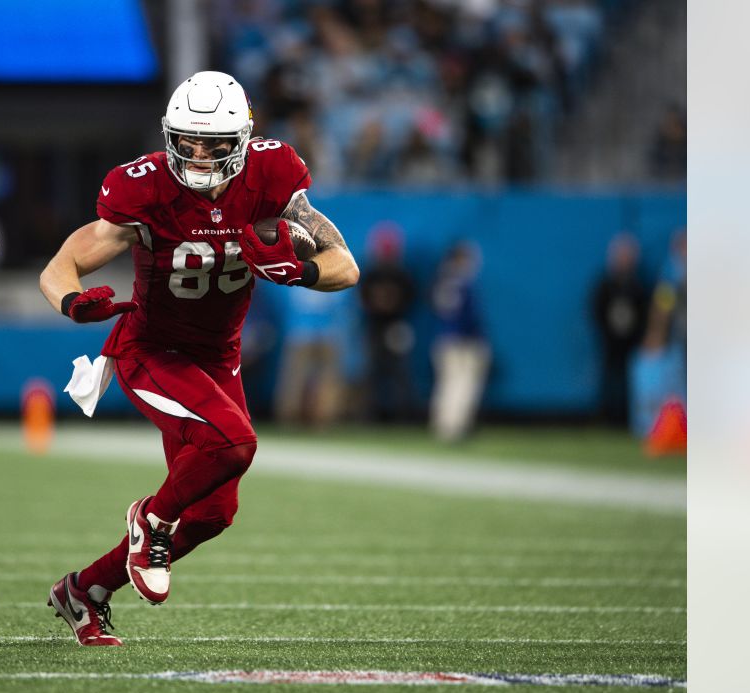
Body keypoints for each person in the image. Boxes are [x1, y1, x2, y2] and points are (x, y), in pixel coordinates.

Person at [38, 71, 359, 646]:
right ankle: (150, 520)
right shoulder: (143, 187)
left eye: (212, 143)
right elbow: (63, 262)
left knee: (213, 515)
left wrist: (302, 272)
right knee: (234, 444)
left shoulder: (275, 175)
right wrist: (69, 301)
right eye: (186, 140)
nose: (197, 153)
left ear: (243, 140)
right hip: (151, 350)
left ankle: (84, 589)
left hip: (218, 358)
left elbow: (345, 266)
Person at [429, 240, 489, 442]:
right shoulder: (464, 282)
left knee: (446, 385)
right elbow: (471, 317)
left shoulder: (443, 280)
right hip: (464, 341)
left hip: (444, 337)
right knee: (463, 386)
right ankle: (456, 427)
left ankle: (443, 425)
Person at [357, 222, 418, 423]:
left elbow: (412, 298)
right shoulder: (371, 273)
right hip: (375, 326)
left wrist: (392, 308)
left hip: (395, 326)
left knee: (400, 373)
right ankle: (371, 415)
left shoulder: (402, 274)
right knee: (373, 371)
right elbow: (362, 298)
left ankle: (403, 415)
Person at [590, 232, 648, 425]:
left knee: (631, 380)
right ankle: (606, 416)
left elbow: (643, 311)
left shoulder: (637, 285)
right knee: (609, 378)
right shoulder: (605, 284)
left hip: (631, 341)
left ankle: (628, 418)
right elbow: (597, 309)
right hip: (610, 339)